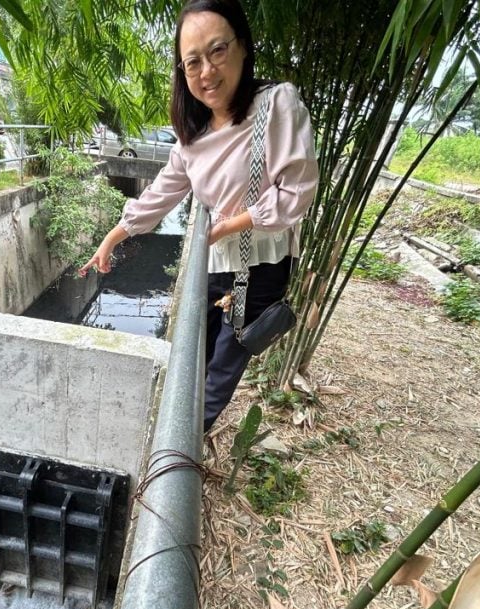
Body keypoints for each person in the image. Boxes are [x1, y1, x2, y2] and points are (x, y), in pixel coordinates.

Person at [79, 0, 318, 433]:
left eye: (217, 51)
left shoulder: (276, 104)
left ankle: (175, 455)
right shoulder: (193, 136)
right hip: (214, 262)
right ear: (182, 72)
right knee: (192, 354)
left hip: (259, 266)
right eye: (192, 62)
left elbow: (296, 193)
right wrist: (112, 238)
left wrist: (229, 225)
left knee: (220, 373)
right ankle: (170, 435)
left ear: (242, 48)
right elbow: (161, 192)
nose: (206, 71)